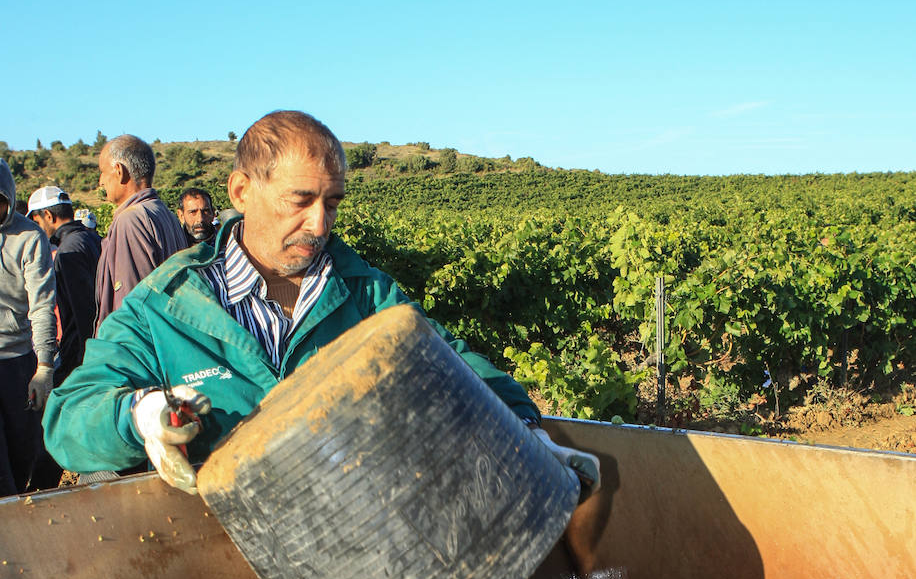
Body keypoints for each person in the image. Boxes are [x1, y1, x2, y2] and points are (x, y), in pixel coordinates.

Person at [44, 111, 599, 498]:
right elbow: (67, 419)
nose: (319, 224)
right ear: (241, 192)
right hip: (223, 576)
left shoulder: (366, 294)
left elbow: (458, 367)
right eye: (300, 200)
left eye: (331, 202)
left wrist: (526, 430)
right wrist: (137, 416)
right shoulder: (165, 307)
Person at [0, 160, 58, 496]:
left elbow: (42, 305)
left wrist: (44, 368)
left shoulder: (28, 237)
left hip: (17, 362)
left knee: (24, 452)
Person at [95, 134, 187, 326]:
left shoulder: (130, 220)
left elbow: (132, 307)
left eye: (103, 172)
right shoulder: (165, 214)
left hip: (138, 350)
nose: (100, 181)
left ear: (119, 171)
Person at [27, 185, 100, 383]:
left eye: (36, 221)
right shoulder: (90, 237)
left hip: (81, 356)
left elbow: (83, 312)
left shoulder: (68, 250)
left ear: (48, 216)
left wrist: (82, 363)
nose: (36, 229)